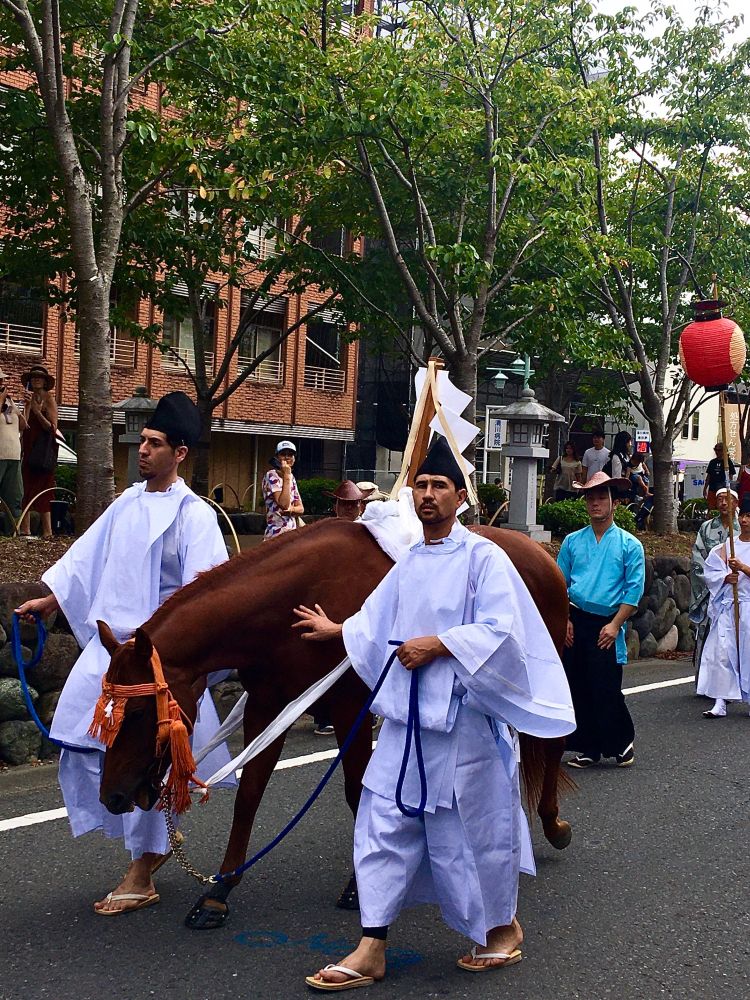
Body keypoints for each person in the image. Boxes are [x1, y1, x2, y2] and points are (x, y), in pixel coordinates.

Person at [294, 436, 575, 989]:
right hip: (403, 723)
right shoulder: (410, 561)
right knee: (381, 824)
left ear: (460, 496)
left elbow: (500, 630)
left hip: (463, 726)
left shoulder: (484, 558)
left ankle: (502, 930)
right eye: (420, 485)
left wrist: (439, 644)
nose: (427, 495)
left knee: (471, 835)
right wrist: (338, 630)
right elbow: (375, 621)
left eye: (438, 486)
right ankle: (371, 945)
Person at [15, 391, 232, 914]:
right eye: (143, 442)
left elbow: (205, 594)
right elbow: (85, 560)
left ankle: (144, 864)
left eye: (156, 444)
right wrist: (51, 599)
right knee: (79, 743)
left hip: (159, 659)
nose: (143, 451)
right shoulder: (127, 502)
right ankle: (141, 845)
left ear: (179, 453)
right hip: (112, 650)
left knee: (149, 758)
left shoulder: (195, 514)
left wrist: (178, 655)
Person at [557, 471, 645, 769]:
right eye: (590, 498)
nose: (595, 503)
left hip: (607, 622)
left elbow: (634, 591)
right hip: (576, 618)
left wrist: (616, 624)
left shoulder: (629, 545)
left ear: (614, 503)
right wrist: (565, 619)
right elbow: (560, 584)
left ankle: (621, 742)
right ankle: (588, 747)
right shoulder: (572, 542)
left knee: (606, 686)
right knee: (577, 684)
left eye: (601, 498)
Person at [697, 493, 750, 719]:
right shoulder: (728, 546)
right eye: (745, 515)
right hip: (729, 606)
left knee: (747, 654)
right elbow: (712, 570)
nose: (746, 520)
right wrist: (725, 578)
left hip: (748, 606)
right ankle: (720, 700)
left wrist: (744, 569)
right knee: (722, 653)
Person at [689, 487, 739, 676]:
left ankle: (735, 681)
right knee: (708, 633)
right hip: (712, 590)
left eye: (727, 499)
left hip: (737, 590)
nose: (724, 503)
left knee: (735, 635)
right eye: (720, 500)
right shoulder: (707, 527)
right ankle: (706, 680)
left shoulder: (743, 528)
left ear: (735, 503)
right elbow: (697, 559)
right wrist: (718, 579)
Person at [19, 364, 58, 540]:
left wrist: (38, 411)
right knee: (25, 489)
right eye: (33, 377)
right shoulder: (28, 398)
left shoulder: (49, 399)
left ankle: (47, 531)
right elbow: (23, 425)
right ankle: (25, 530)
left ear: (44, 381)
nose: (36, 380)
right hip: (28, 448)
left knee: (44, 489)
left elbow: (52, 427)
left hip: (43, 451)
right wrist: (27, 407)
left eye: (39, 377)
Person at [0, 369, 27, 534]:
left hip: (13, 456)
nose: (2, 384)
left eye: (2, 381)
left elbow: (22, 426)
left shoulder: (9, 403)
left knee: (14, 497)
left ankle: (12, 532)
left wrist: (27, 407)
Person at [262, 439, 304, 538]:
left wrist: (291, 510)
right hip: (276, 532)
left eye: (290, 455)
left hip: (292, 531)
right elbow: (284, 504)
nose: (287, 458)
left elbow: (301, 509)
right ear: (276, 458)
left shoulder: (291, 477)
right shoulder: (272, 475)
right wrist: (286, 475)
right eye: (283, 454)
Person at [704, 443, 736, 512]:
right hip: (712, 488)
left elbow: (730, 477)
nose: (717, 452)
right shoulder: (712, 462)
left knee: (722, 507)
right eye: (716, 450)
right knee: (711, 508)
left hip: (723, 489)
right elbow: (708, 476)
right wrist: (705, 489)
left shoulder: (728, 462)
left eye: (719, 450)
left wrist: (728, 488)